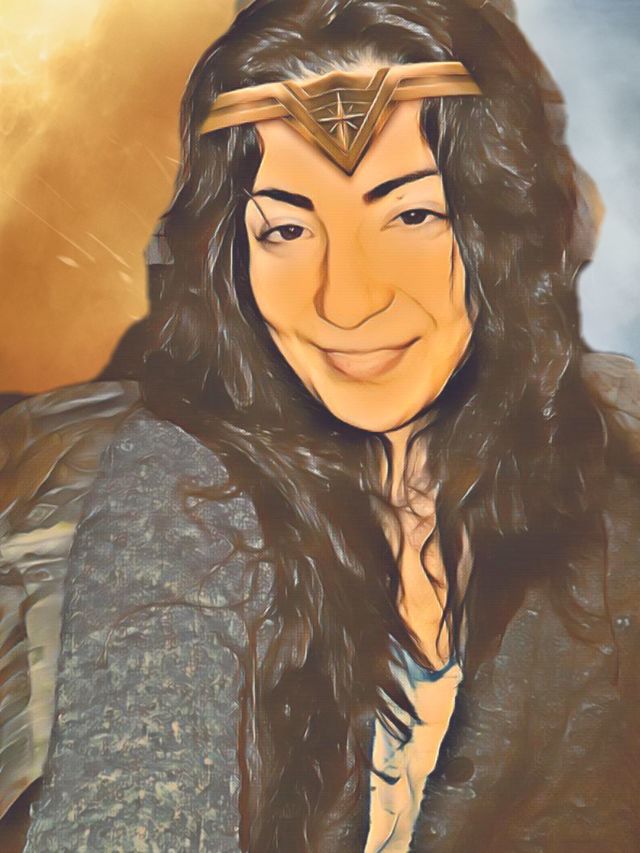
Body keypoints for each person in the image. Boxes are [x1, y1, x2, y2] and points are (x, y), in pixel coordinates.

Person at [5, 0, 638, 850]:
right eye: (287, 227)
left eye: (412, 215)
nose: (346, 299)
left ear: (500, 230)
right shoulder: (183, 488)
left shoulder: (614, 490)